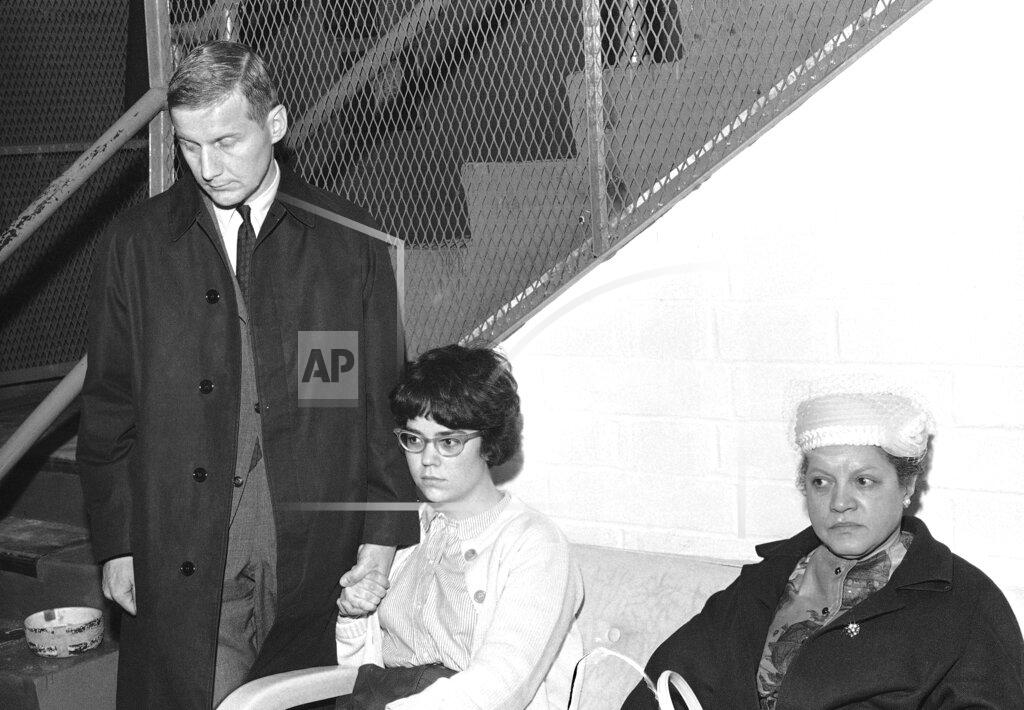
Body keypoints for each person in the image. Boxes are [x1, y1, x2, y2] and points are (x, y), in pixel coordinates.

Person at [77, 40, 419, 708]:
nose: (208, 168)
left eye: (227, 142)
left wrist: (381, 535)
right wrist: (116, 544)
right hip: (184, 552)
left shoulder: (346, 242)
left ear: (276, 124)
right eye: (189, 146)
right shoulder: (137, 246)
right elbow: (109, 410)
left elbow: (369, 403)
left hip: (309, 561)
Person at [621, 391, 1024, 709]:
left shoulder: (964, 603)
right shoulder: (764, 582)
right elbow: (661, 685)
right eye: (821, 481)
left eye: (863, 481)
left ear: (907, 485)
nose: (839, 502)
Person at [334, 345, 584, 709]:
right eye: (414, 439)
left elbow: (502, 685)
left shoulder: (536, 544)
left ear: (490, 442)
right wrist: (354, 616)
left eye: (448, 441)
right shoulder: (401, 533)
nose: (427, 459)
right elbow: (361, 677)